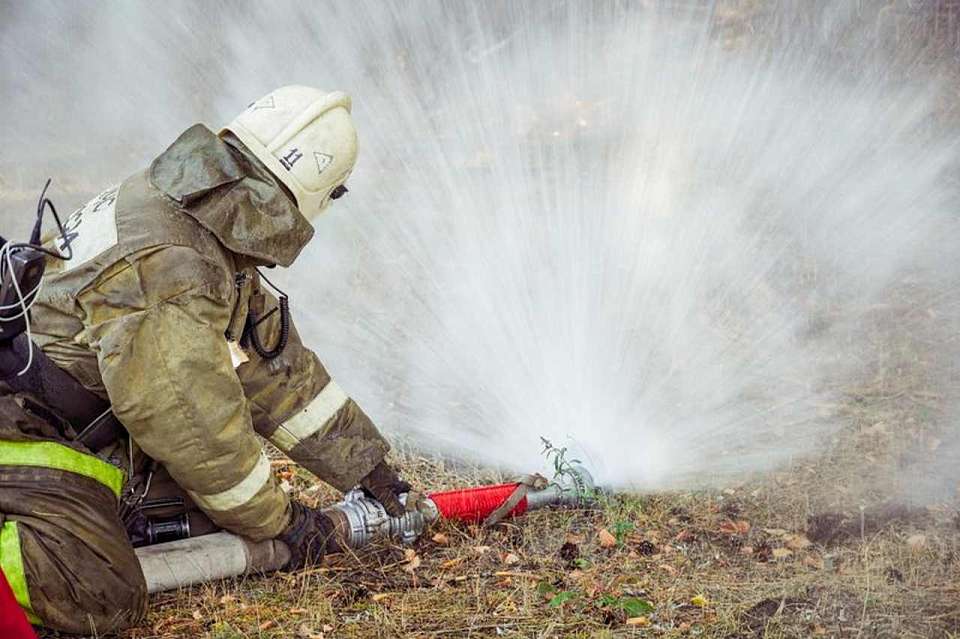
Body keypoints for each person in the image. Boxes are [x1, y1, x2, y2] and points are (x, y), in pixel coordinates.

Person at [0, 86, 412, 634]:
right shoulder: (172, 264)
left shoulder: (199, 223)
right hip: (19, 428)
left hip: (56, 423)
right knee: (93, 586)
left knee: (183, 520)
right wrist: (284, 524)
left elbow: (278, 371)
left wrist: (371, 470)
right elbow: (189, 422)